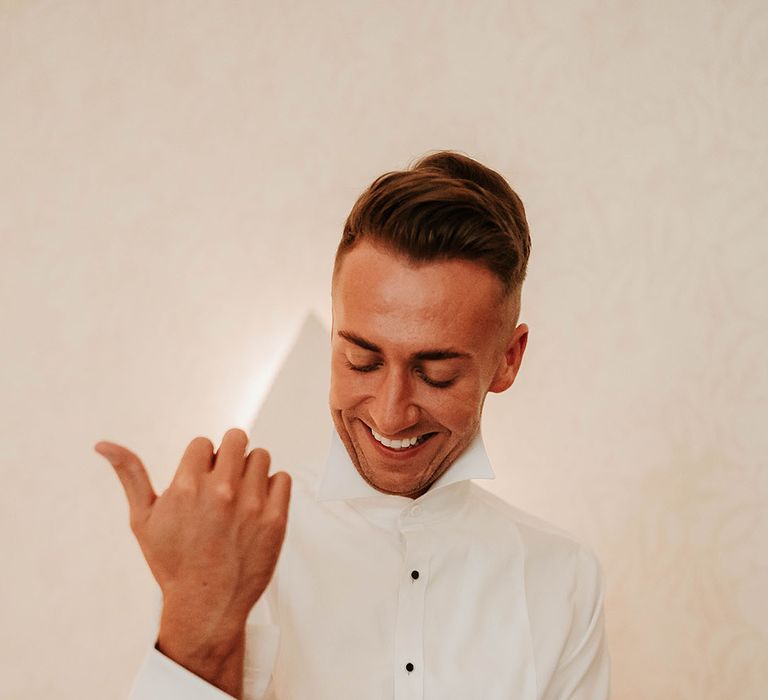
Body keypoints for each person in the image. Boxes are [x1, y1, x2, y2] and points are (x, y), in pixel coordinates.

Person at [95, 151, 610, 699]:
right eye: (361, 360)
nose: (390, 413)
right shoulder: (221, 541)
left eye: (435, 374)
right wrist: (197, 631)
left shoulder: (564, 580)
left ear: (508, 359)